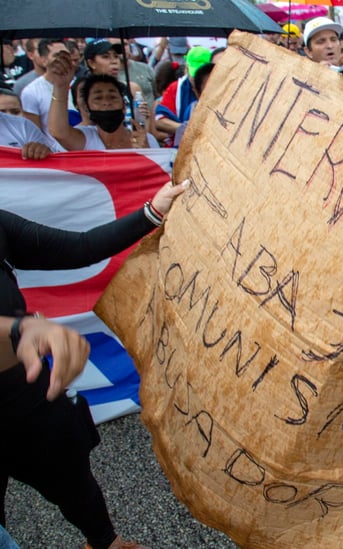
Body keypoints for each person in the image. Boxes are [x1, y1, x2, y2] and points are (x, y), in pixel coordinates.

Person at [0, 179, 188, 549]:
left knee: (76, 487)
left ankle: (104, 541)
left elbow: (81, 248)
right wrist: (19, 327)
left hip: (32, 401)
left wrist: (154, 210)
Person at [47, 56, 158, 151]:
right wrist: (60, 87)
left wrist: (146, 152)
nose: (106, 102)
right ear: (87, 108)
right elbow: (58, 132)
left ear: (124, 106)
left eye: (112, 97)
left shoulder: (146, 140)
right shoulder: (85, 138)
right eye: (98, 98)